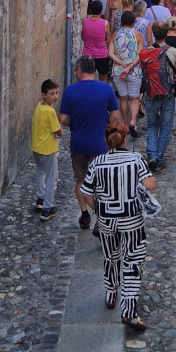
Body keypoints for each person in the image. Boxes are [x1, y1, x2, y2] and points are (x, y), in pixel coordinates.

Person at [80, 122, 156, 331]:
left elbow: (86, 192)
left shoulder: (97, 163)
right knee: (132, 261)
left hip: (106, 220)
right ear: (125, 139)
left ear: (106, 141)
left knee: (110, 256)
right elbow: (150, 184)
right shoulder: (136, 159)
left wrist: (99, 210)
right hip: (132, 220)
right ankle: (129, 311)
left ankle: (111, 293)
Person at [59, 55, 120, 230]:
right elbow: (115, 116)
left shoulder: (70, 91)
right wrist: (106, 126)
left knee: (81, 179)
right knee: (100, 182)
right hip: (100, 143)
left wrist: (74, 123)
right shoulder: (106, 89)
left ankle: (85, 214)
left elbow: (62, 118)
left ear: (78, 70)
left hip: (78, 144)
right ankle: (102, 216)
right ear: (93, 71)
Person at [142, 22, 176, 172]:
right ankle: (159, 158)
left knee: (152, 125)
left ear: (154, 34)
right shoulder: (174, 51)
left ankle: (151, 154)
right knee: (165, 126)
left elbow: (144, 70)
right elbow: (175, 71)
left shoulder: (146, 52)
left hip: (150, 92)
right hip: (167, 93)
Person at [31, 79, 63, 220]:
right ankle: (47, 208)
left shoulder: (39, 106)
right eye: (52, 94)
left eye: (56, 93)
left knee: (40, 172)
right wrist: (61, 132)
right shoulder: (50, 111)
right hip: (48, 148)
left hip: (36, 147)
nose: (55, 96)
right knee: (52, 178)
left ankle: (40, 198)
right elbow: (58, 131)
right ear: (43, 95)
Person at [108, 10, 143, 137]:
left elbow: (110, 53)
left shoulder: (114, 35)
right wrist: (129, 67)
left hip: (118, 70)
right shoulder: (138, 35)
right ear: (133, 22)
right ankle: (133, 121)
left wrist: (122, 65)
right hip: (134, 71)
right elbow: (140, 54)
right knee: (134, 98)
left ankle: (126, 124)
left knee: (123, 98)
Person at [82, 1, 110, 84]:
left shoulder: (85, 21)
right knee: (103, 79)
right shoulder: (105, 23)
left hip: (87, 54)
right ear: (101, 11)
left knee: (87, 79)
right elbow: (108, 39)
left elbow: (83, 37)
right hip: (101, 55)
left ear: (90, 10)